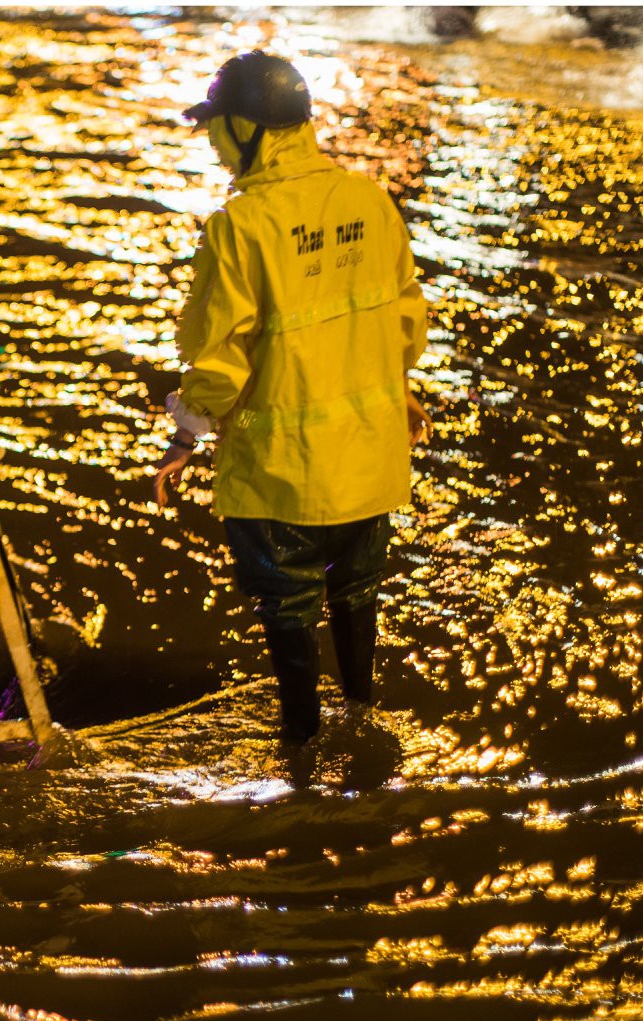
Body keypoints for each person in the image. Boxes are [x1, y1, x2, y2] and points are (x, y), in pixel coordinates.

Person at [150, 51, 431, 744]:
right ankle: (364, 730)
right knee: (358, 596)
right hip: (368, 461)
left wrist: (182, 438)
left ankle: (301, 757)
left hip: (282, 475)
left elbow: (221, 361)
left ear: (248, 128)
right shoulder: (369, 198)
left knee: (290, 608)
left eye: (216, 126)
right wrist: (401, 398)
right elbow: (402, 319)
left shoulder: (241, 226)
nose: (211, 141)